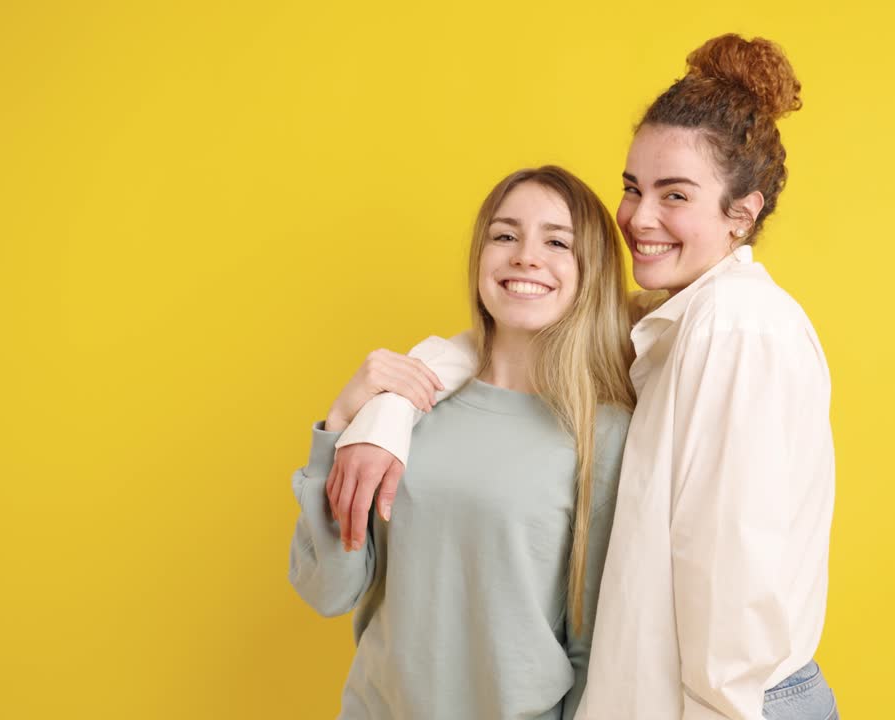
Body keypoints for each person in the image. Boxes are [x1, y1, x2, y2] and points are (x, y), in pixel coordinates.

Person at [331, 34, 837, 720]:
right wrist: (386, 411)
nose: (640, 217)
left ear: (741, 215)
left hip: (732, 704)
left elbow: (734, 596)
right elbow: (503, 336)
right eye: (633, 188)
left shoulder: (734, 330)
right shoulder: (669, 324)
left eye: (676, 194)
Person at [288, 165, 635, 719]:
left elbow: (593, 646)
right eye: (505, 235)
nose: (525, 255)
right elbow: (327, 589)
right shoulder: (402, 409)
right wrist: (339, 422)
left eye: (556, 242)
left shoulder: (604, 434)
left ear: (590, 269)